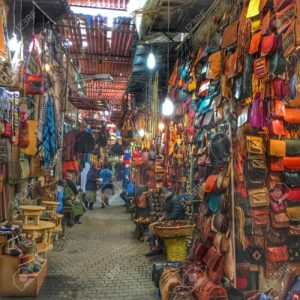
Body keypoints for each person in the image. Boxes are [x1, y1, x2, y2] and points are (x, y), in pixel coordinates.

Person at [146, 188, 185, 256]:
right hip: (170, 219)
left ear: (165, 193)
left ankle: (157, 247)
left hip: (176, 221)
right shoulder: (168, 198)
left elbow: (175, 214)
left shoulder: (174, 199)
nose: (162, 197)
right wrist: (163, 217)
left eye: (163, 196)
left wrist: (164, 218)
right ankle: (156, 246)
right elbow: (168, 211)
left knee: (153, 227)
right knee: (152, 226)